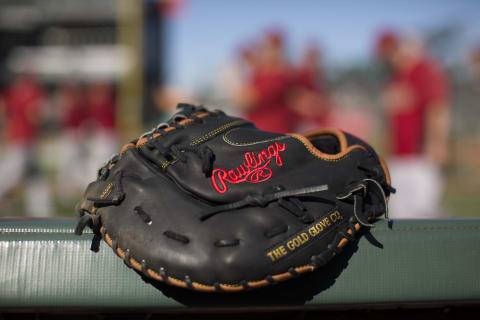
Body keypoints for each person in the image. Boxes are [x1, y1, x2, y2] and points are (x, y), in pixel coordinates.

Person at [376, 32, 451, 218]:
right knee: (400, 214)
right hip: (399, 156)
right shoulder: (394, 77)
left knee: (425, 212)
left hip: (421, 155)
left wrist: (438, 142)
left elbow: (437, 107)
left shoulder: (423, 69)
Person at [0, 73, 53, 217]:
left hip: (25, 141)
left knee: (35, 178)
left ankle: (41, 211)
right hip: (21, 142)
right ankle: (40, 210)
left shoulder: (16, 94)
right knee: (11, 175)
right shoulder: (26, 94)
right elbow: (35, 116)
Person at [237, 30, 299, 133]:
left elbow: (248, 101)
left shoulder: (277, 77)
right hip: (262, 131)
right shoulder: (260, 74)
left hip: (270, 135)